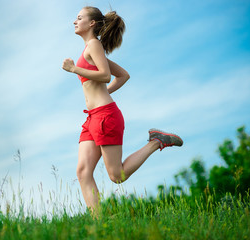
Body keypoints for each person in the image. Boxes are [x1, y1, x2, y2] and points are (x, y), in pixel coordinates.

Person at [62, 6, 183, 213]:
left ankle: (156, 142)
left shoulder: (94, 44)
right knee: (83, 172)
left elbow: (105, 75)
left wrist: (75, 69)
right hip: (92, 117)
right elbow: (123, 75)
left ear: (91, 23)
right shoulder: (89, 49)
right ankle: (98, 225)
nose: (75, 21)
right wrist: (103, 93)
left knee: (117, 176)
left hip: (105, 116)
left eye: (79, 18)